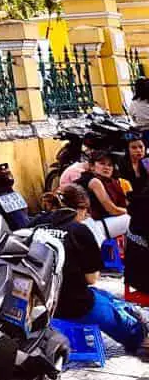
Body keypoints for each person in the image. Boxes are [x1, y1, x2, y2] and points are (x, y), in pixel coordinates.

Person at [55, 185, 148, 353]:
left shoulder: (36, 224)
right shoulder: (79, 230)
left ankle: (128, 310)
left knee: (104, 296)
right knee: (136, 332)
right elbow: (91, 278)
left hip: (41, 304)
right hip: (74, 304)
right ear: (82, 209)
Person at [77, 150, 131, 245]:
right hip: (92, 227)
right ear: (92, 166)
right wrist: (131, 211)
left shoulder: (111, 182)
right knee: (130, 219)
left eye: (110, 165)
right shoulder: (95, 181)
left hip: (96, 223)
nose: (107, 168)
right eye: (102, 164)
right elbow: (112, 210)